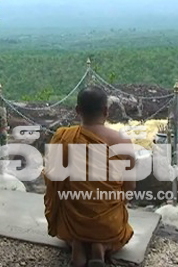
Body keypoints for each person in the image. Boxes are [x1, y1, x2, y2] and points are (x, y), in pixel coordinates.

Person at [43, 86, 136, 267]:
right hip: (109, 225)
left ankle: (78, 245)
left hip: (72, 222)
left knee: (70, 214)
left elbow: (52, 179)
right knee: (115, 228)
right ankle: (100, 246)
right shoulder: (123, 142)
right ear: (106, 111)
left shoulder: (64, 137)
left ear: (78, 111)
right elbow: (130, 188)